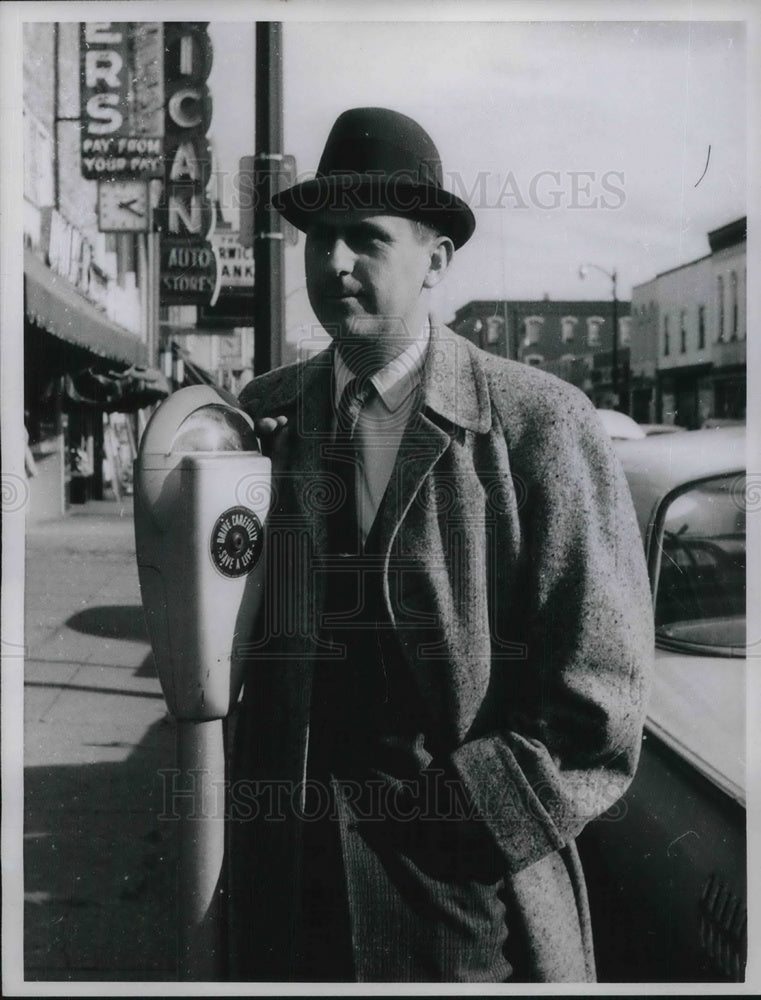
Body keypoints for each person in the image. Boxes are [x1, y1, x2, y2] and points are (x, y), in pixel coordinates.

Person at [229, 107, 653, 983]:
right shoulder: (266, 410)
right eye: (318, 239)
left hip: (459, 898)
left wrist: (461, 820)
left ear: (436, 260)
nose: (334, 263)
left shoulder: (538, 424)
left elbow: (599, 690)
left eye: (365, 239)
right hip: (290, 882)